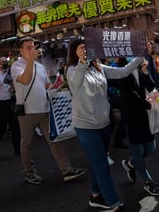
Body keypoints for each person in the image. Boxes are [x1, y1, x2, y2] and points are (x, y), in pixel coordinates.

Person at [66, 39, 144, 211]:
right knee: (102, 164)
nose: (85, 51)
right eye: (81, 48)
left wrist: (140, 56)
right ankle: (113, 202)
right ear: (74, 52)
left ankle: (95, 195)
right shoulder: (72, 70)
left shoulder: (99, 66)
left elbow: (122, 72)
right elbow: (75, 85)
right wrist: (81, 62)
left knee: (97, 162)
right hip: (85, 126)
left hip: (104, 124)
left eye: (87, 47)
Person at [11, 37, 86, 185]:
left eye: (32, 46)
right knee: (27, 144)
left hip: (44, 108)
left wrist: (57, 85)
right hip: (27, 111)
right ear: (20, 51)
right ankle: (29, 172)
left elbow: (46, 86)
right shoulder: (16, 66)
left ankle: (66, 169)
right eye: (27, 47)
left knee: (54, 140)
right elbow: (25, 80)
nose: (31, 50)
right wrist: (31, 61)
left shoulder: (39, 66)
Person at [118, 58, 159, 196]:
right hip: (132, 116)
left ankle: (130, 163)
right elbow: (128, 95)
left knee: (150, 148)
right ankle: (148, 181)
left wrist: (145, 72)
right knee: (138, 150)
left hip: (146, 116)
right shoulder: (121, 71)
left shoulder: (141, 68)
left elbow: (151, 86)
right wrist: (146, 104)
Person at [0, 56, 20, 160]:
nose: (5, 63)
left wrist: (13, 88)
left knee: (15, 126)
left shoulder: (9, 74)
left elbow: (11, 89)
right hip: (0, 103)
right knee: (1, 128)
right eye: (3, 62)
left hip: (10, 101)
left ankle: (17, 149)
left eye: (6, 61)